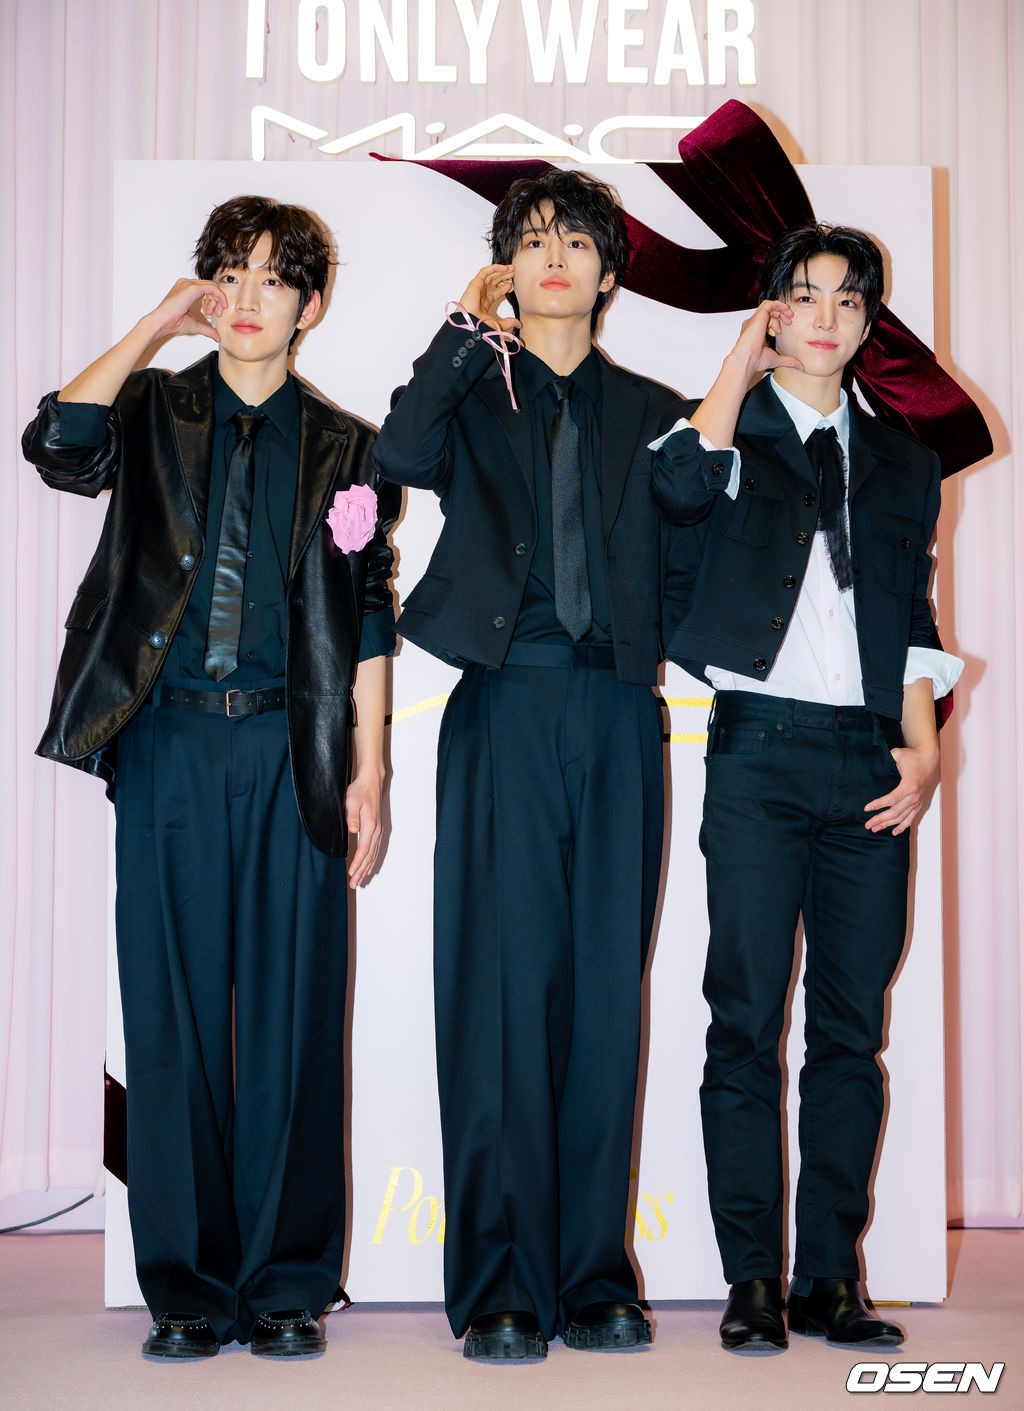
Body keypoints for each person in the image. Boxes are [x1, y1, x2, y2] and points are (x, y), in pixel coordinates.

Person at [22, 195, 399, 1361]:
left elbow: (368, 613)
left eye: (272, 278)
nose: (245, 297)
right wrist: (154, 324)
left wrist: (371, 769)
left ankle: (287, 1286)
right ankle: (183, 1287)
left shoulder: (346, 448)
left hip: (292, 754)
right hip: (169, 745)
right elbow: (54, 445)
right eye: (228, 274)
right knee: (171, 1014)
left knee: (295, 1016)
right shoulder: (149, 410)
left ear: (310, 305)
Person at [373, 169, 688, 1359]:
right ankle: (502, 1282)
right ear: (507, 266)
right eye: (533, 240)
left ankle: (595, 1275)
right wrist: (465, 330)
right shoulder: (468, 394)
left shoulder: (655, 411)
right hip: (503, 705)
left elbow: (696, 549)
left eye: (576, 242)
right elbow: (398, 453)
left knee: (606, 995)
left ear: (609, 273)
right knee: (501, 993)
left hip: (619, 712)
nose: (554, 256)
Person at [650, 224, 962, 1351]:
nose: (825, 317)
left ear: (869, 323)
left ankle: (830, 1277)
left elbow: (912, 617)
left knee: (847, 1029)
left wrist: (923, 751)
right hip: (757, 758)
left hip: (871, 761)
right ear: (774, 310)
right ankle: (750, 1279)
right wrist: (740, 363)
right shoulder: (722, 434)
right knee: (742, 1019)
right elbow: (674, 490)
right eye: (804, 296)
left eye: (847, 300)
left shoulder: (905, 464)